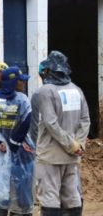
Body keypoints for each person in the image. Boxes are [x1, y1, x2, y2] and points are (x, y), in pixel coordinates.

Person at [33, 51, 90, 216]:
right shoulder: (77, 90)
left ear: (49, 71)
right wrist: (78, 144)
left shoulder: (46, 91)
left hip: (50, 156)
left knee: (49, 198)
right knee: (72, 197)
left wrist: (70, 144)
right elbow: (85, 120)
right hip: (72, 156)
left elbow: (51, 123)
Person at [0, 66, 33, 216]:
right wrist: (14, 144)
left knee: (1, 188)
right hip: (21, 153)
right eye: (21, 81)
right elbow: (26, 122)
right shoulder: (22, 100)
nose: (23, 83)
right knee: (21, 190)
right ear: (14, 83)